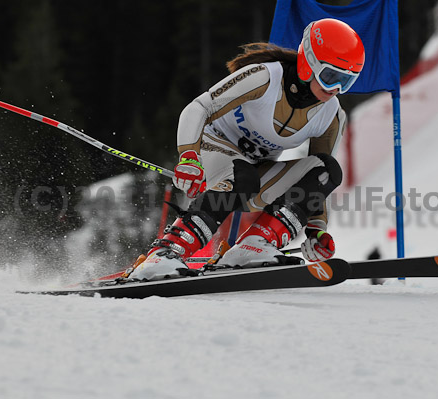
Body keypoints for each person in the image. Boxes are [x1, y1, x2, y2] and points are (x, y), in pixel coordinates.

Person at [127, 19, 365, 280]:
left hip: (251, 173)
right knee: (244, 178)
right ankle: (165, 253)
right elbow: (198, 108)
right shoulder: (265, 77)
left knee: (327, 170)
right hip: (211, 147)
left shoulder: (331, 115)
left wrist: (315, 230)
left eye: (347, 81)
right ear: (308, 62)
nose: (336, 90)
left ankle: (254, 245)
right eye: (331, 77)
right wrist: (189, 156)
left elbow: (316, 180)